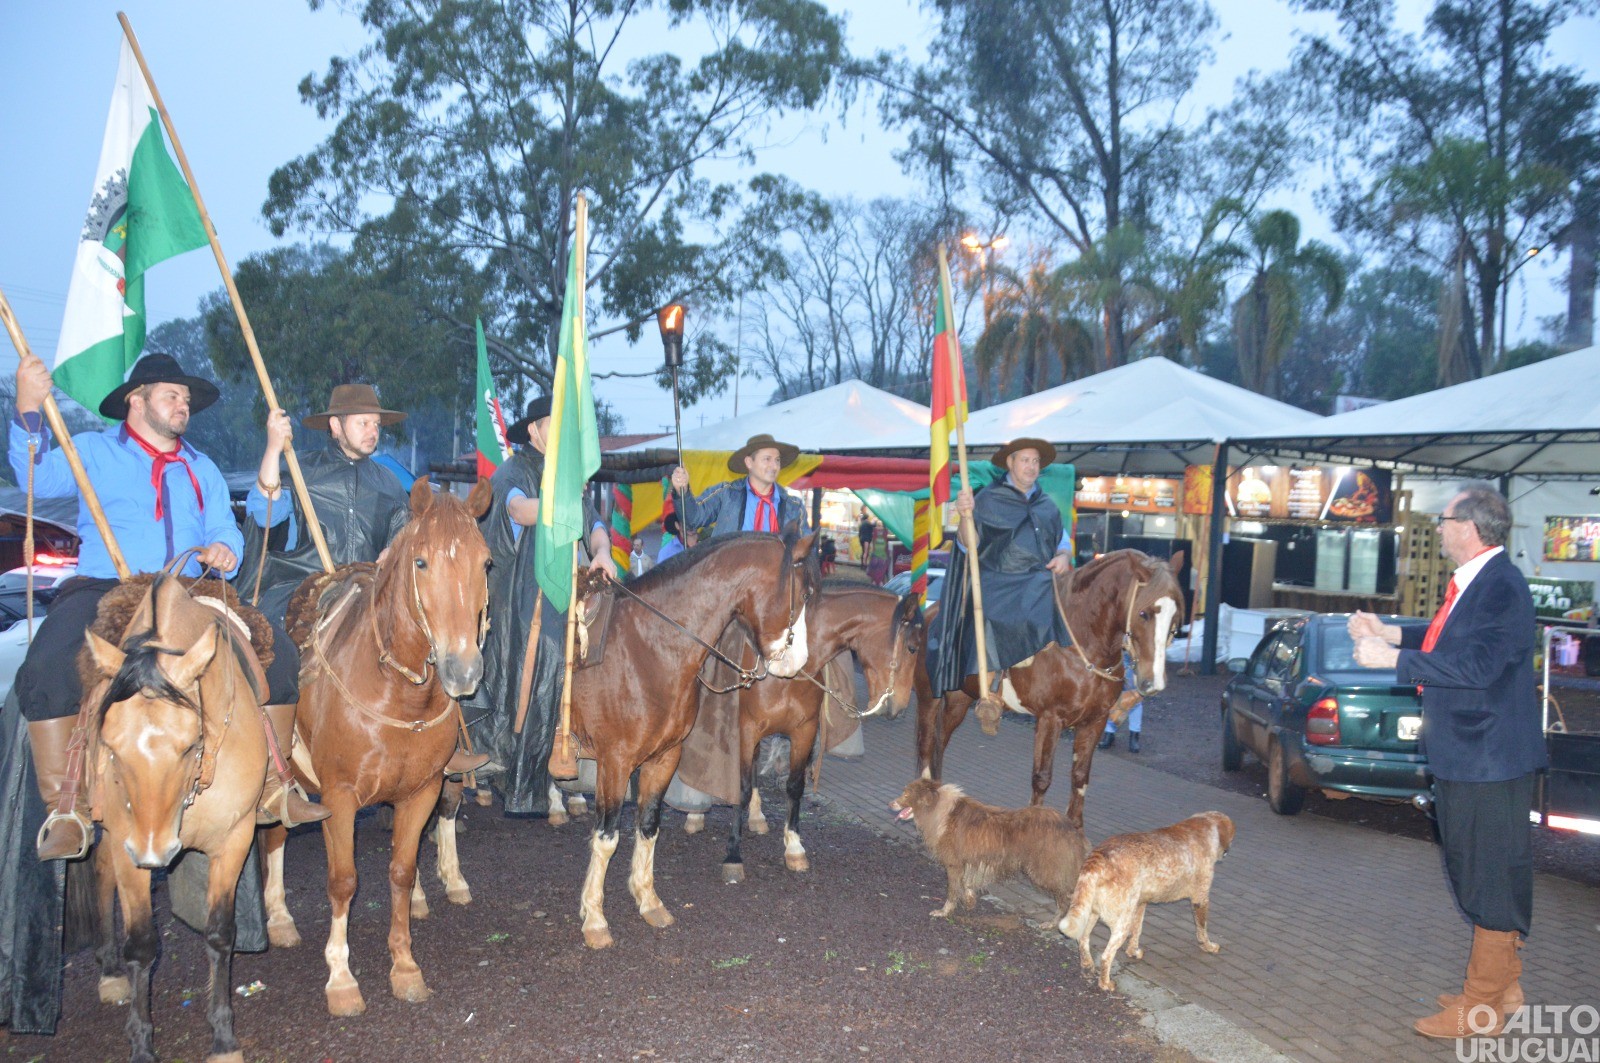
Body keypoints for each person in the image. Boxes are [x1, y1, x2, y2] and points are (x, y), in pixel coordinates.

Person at [6, 351, 323, 865]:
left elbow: (226, 526)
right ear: (137, 400)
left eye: (187, 399)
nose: (184, 405)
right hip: (106, 585)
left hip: (192, 590)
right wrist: (27, 409)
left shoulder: (202, 467)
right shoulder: (90, 449)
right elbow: (32, 476)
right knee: (44, 669)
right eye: (172, 395)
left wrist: (225, 548)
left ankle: (273, 784)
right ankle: (67, 809)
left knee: (281, 661)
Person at [1349, 483, 1546, 1040]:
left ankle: (1480, 1006)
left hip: (1488, 756)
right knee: (1481, 866)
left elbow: (1479, 666)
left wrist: (1393, 658)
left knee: (1485, 872)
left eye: (1444, 518)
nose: (1436, 527)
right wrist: (1391, 632)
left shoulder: (1502, 585)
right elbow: (1449, 641)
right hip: (1474, 753)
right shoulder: (1479, 581)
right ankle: (1503, 988)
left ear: (1470, 526)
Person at [238, 383, 485, 778]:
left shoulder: (388, 482)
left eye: (376, 423)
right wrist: (272, 448)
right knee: (266, 648)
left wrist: (392, 552)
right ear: (335, 426)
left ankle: (443, 746)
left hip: (366, 586)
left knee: (436, 634)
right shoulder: (300, 469)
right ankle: (266, 760)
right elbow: (265, 514)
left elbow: (404, 536)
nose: (373, 430)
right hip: (303, 584)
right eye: (363, 422)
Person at [463, 396, 615, 815]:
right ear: (533, 430)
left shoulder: (567, 476)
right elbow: (518, 509)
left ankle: (574, 757)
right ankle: (516, 773)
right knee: (545, 657)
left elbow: (594, 523)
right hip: (518, 597)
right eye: (555, 424)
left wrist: (601, 551)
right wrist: (561, 501)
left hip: (563, 593)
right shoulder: (513, 470)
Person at [931, 437, 1073, 705]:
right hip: (997, 579)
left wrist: (1064, 555)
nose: (1031, 467)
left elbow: (1062, 540)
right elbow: (966, 546)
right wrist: (964, 516)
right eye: (1025, 460)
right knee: (992, 613)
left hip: (1039, 578)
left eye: (1036, 461)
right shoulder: (987, 499)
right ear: (1010, 462)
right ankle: (992, 685)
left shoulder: (1047, 505)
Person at [667, 433, 810, 540]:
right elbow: (693, 519)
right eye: (767, 459)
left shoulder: (794, 507)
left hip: (774, 579)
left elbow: (806, 550)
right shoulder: (726, 494)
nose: (774, 466)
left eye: (777, 461)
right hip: (729, 577)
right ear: (749, 462)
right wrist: (682, 491)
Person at [1100, 650, 1142, 752]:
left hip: (1133, 655)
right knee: (1111, 695)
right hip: (1114, 653)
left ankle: (1134, 735)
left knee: (1134, 697)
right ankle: (1109, 732)